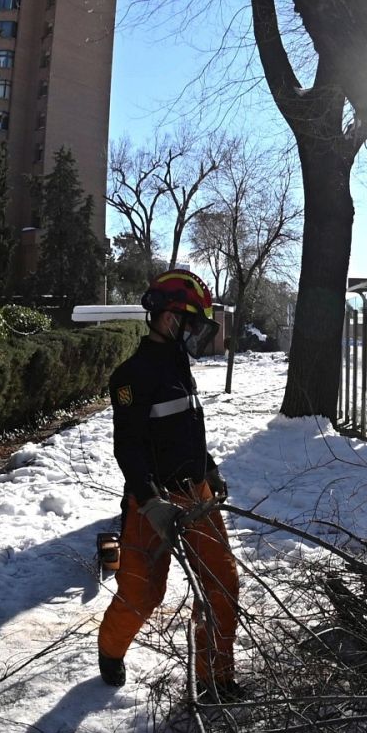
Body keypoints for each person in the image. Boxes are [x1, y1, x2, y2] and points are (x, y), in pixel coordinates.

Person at [97, 270, 243, 701]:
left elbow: (187, 430)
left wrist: (209, 469)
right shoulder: (131, 375)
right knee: (143, 594)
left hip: (195, 493)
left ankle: (215, 681)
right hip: (152, 501)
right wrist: (150, 501)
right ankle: (109, 650)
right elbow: (129, 447)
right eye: (191, 323)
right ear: (166, 318)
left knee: (221, 584)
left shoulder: (179, 365)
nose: (196, 333)